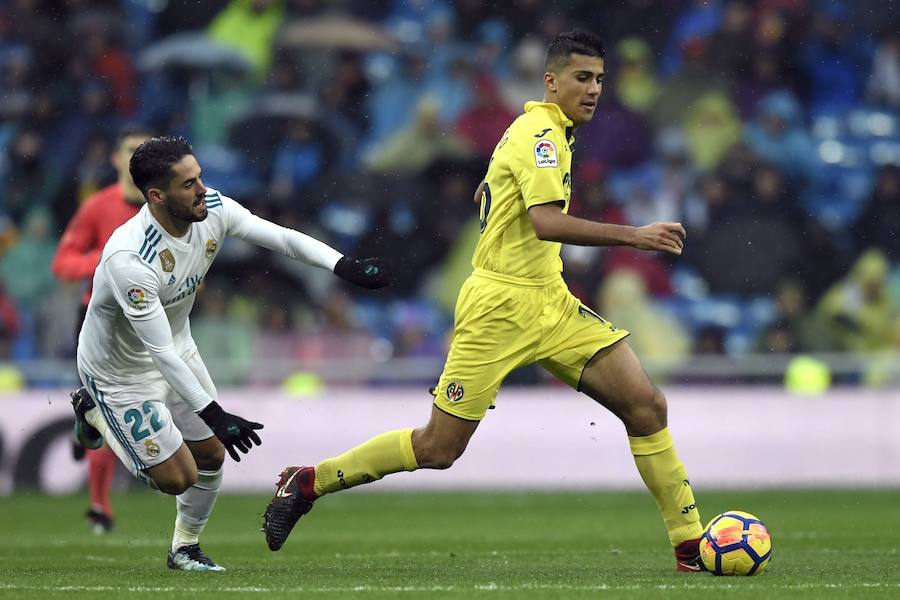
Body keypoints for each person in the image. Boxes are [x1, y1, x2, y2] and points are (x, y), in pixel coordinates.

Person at [262, 30, 705, 572]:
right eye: (582, 78)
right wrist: (635, 235)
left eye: (599, 80)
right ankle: (308, 482)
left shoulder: (546, 133)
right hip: (498, 308)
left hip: (551, 301)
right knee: (437, 449)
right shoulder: (541, 134)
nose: (593, 90)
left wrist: (493, 190)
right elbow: (545, 223)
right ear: (551, 81)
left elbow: (501, 187)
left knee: (647, 405)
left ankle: (691, 545)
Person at [70, 135, 392, 571]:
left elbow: (282, 239)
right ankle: (91, 409)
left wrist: (343, 266)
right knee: (176, 478)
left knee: (212, 456)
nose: (202, 189)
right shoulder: (130, 258)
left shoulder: (213, 209)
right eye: (188, 184)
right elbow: (157, 350)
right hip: (119, 373)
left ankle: (184, 548)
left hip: (177, 348)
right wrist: (215, 413)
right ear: (156, 196)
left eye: (199, 177)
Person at [52, 125, 154, 534]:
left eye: (144, 153)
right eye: (130, 151)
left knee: (126, 411)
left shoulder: (163, 207)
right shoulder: (98, 206)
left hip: (150, 320)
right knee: (108, 409)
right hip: (99, 319)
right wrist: (105, 262)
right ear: (116, 159)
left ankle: (87, 432)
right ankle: (100, 505)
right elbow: (63, 263)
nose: (136, 161)